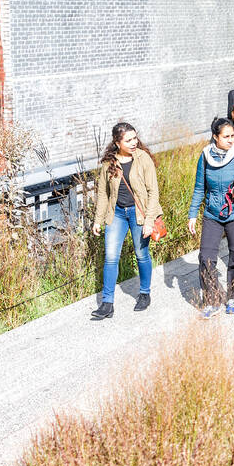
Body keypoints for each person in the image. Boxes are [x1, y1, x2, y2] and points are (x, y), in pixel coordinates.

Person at [188, 117, 234, 318]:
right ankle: (212, 299)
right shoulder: (205, 157)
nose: (230, 140)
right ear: (215, 137)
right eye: (225, 136)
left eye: (232, 136)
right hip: (212, 213)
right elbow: (199, 187)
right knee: (206, 257)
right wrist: (193, 214)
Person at [90, 122, 161, 320]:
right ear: (117, 142)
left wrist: (149, 220)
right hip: (117, 214)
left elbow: (153, 192)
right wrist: (98, 220)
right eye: (128, 140)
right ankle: (107, 303)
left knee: (141, 254)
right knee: (111, 257)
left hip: (139, 214)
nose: (133, 143)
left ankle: (145, 293)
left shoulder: (143, 158)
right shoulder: (109, 163)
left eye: (135, 138)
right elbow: (103, 194)